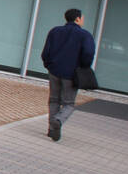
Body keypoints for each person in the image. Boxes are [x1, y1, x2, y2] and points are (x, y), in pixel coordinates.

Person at [40, 8, 96, 142]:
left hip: (54, 71)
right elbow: (88, 54)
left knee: (53, 100)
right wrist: (83, 67)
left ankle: (51, 130)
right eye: (82, 18)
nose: (83, 20)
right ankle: (58, 121)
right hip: (72, 73)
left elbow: (45, 52)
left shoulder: (55, 31)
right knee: (69, 103)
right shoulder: (85, 35)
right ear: (77, 19)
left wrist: (49, 65)